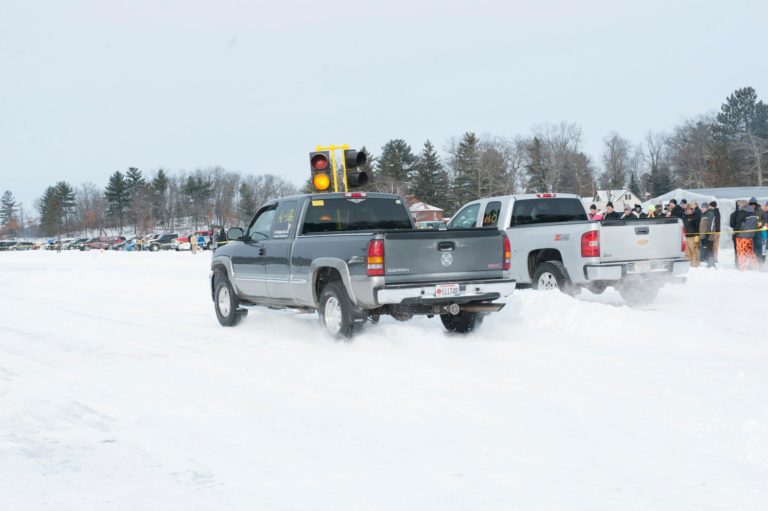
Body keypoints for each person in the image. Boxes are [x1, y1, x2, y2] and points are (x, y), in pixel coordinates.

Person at [734, 200, 758, 271]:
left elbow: (739, 225)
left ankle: (743, 267)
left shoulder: (743, 213)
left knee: (741, 252)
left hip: (741, 236)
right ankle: (755, 266)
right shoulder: (754, 213)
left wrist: (736, 232)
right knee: (750, 252)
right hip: (750, 236)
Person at [699, 202, 716, 268]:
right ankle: (709, 263)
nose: (702, 209)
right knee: (707, 250)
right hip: (704, 236)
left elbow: (711, 224)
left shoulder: (710, 213)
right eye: (701, 207)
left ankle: (711, 264)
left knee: (709, 249)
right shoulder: (704, 214)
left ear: (706, 208)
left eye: (703, 207)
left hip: (709, 236)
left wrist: (707, 234)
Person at [750, 197, 765, 264]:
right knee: (751, 246)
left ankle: (760, 261)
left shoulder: (760, 210)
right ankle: (752, 262)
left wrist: (761, 223)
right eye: (751, 204)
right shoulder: (747, 210)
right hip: (750, 231)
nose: (753, 205)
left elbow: (764, 218)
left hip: (758, 230)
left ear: (756, 204)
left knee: (758, 245)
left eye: (754, 204)